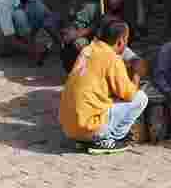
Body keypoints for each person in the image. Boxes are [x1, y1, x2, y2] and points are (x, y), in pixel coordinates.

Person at [60, 19, 147, 154]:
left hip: (69, 128)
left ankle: (87, 139)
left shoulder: (88, 50)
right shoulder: (112, 58)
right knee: (141, 97)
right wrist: (137, 75)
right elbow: (129, 95)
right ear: (121, 41)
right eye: (126, 40)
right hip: (89, 127)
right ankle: (107, 139)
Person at [60, 0, 142, 74]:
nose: (118, 0)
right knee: (80, 43)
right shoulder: (91, 9)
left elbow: (139, 25)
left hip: (111, 50)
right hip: (90, 51)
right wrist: (93, 28)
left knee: (135, 61)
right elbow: (68, 35)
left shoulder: (123, 13)